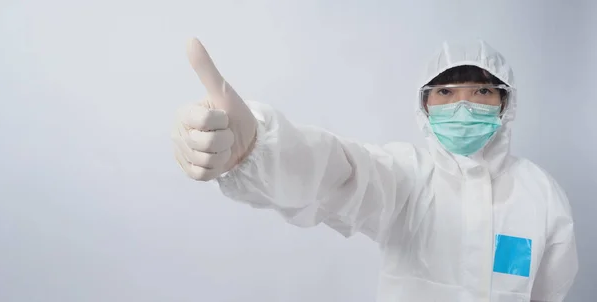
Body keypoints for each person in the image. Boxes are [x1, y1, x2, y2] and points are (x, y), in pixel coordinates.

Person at [172, 38, 578, 302]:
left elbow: (550, 291)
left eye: (484, 91)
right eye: (446, 92)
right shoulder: (406, 174)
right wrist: (260, 151)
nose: (464, 106)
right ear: (424, 104)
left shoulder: (538, 195)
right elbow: (341, 173)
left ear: (505, 103)